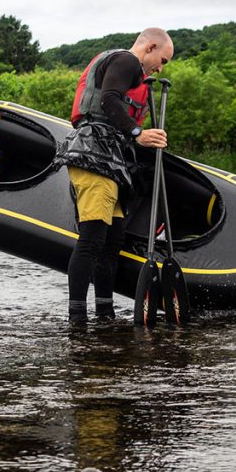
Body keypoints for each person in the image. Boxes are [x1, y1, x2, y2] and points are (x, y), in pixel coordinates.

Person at [54, 28, 174, 324]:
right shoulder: (126, 61)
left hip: (111, 158)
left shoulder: (137, 76)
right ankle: (77, 320)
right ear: (151, 47)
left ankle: (105, 315)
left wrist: (139, 137)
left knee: (112, 240)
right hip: (93, 151)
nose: (160, 68)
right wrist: (138, 133)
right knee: (93, 239)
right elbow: (108, 99)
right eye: (163, 60)